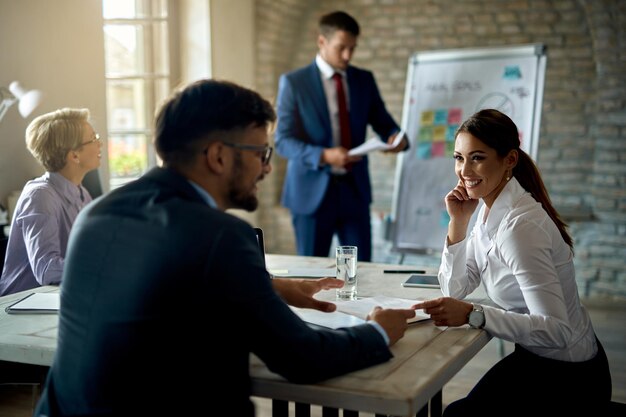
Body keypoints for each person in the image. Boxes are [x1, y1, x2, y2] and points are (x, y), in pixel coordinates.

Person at [34, 79, 415, 417]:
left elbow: (166, 286)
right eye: (261, 154)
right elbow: (302, 357)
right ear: (218, 156)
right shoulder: (221, 235)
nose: (266, 168)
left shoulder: (98, 212)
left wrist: (271, 287)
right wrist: (378, 331)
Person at [413, 109, 612, 416]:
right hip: (537, 356)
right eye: (458, 157)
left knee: (457, 415)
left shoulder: (520, 227)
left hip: (570, 374)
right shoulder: (488, 209)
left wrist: (472, 314)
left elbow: (556, 330)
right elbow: (454, 289)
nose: (464, 170)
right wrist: (458, 223)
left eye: (477, 157)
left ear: (509, 160)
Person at [275, 10, 408, 262]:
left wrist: (395, 139)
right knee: (311, 274)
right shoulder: (294, 83)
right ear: (321, 41)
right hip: (310, 194)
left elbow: (386, 124)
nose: (348, 55)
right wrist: (324, 155)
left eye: (353, 48)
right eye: (341, 47)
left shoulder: (364, 80)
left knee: (363, 273)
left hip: (354, 192)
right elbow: (282, 141)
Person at [0, 108, 101, 296]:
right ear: (74, 156)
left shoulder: (83, 194)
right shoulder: (40, 196)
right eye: (93, 138)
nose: (100, 144)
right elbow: (46, 270)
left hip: (58, 298)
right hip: (21, 308)